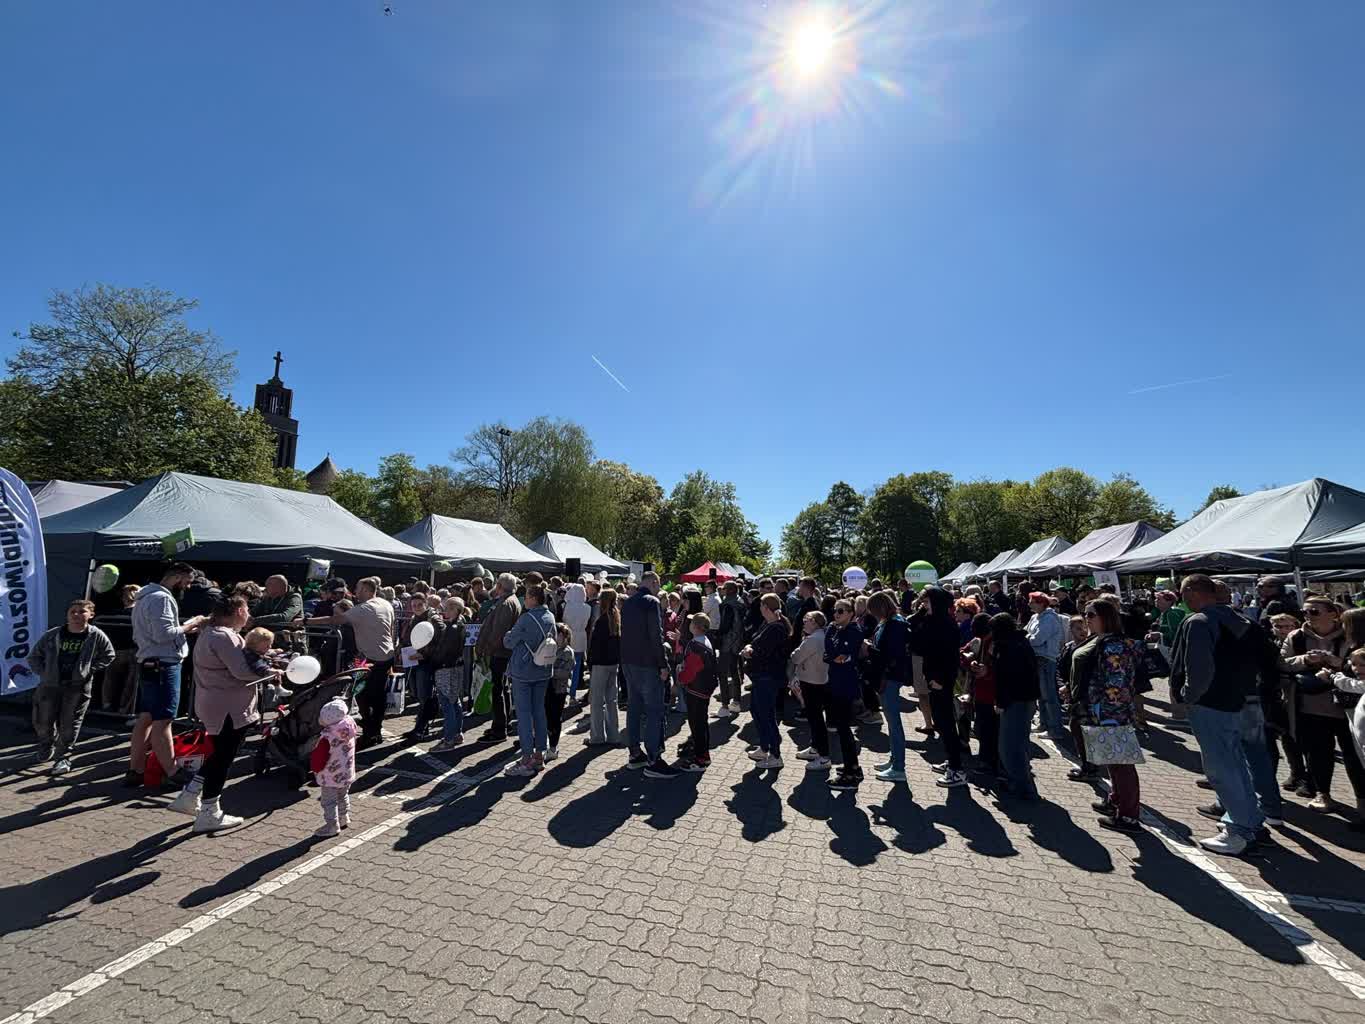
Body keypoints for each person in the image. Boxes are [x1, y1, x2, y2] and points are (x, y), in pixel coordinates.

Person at [1170, 575, 1265, 855]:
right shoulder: (1239, 620)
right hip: (1239, 699)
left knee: (1221, 768)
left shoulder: (1200, 622)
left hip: (1211, 703)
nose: (1181, 596)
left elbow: (1198, 669)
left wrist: (1187, 696)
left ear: (1191, 592)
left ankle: (1239, 830)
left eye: (1183, 591)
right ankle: (1250, 820)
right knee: (1236, 764)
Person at [170, 596, 274, 831]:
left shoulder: (210, 632)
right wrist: (272, 672)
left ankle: (191, 794)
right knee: (223, 758)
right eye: (247, 609)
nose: (248, 613)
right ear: (238, 610)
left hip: (215, 702)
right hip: (228, 707)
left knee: (219, 753)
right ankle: (209, 811)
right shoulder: (225, 636)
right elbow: (242, 672)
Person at [124, 563, 207, 789]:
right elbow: (164, 634)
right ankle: (172, 772)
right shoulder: (161, 598)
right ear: (177, 576)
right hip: (163, 665)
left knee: (146, 718)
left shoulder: (144, 596)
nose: (188, 586)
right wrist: (193, 624)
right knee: (163, 721)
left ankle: (136, 769)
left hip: (150, 662)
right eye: (188, 581)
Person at [1281, 597, 1365, 816]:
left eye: (1314, 611)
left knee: (1355, 757)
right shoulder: (1296, 636)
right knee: (1318, 753)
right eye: (1305, 611)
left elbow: (1360, 662)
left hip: (1348, 709)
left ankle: (1362, 803)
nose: (1308, 615)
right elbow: (1282, 663)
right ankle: (1323, 794)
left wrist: (1338, 664)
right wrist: (1306, 661)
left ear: (1332, 614)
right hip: (1310, 705)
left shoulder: (1351, 632)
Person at [1071, 600, 1143, 832]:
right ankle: (1116, 800)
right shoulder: (1102, 641)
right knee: (1112, 761)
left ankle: (1129, 815)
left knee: (1121, 764)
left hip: (1112, 712)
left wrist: (1104, 710)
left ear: (1105, 617)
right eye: (1085, 614)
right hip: (1102, 710)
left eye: (1091, 615)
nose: (1087, 619)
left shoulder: (1114, 646)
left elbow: (1117, 684)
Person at [304, 577, 395, 748]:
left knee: (361, 693)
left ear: (368, 590)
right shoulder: (385, 603)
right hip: (384, 655)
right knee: (377, 695)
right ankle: (375, 728)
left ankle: (370, 731)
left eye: (358, 589)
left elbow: (334, 620)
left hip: (368, 658)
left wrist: (306, 621)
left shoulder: (364, 608)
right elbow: (391, 628)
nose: (355, 592)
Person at [29, 599, 115, 775]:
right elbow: (34, 656)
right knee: (42, 721)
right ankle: (46, 745)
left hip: (77, 687)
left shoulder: (95, 635)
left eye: (82, 611)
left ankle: (63, 758)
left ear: (91, 615)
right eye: (73, 611)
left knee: (70, 724)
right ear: (67, 615)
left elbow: (109, 654)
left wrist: (89, 669)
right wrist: (44, 673)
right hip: (50, 686)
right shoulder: (53, 634)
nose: (77, 615)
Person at [620, 571, 678, 778]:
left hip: (628, 662)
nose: (659, 588)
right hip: (647, 664)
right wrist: (663, 664)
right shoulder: (651, 601)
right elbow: (656, 634)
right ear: (653, 582)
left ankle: (635, 753)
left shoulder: (628, 602)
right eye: (659, 584)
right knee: (654, 711)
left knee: (634, 708)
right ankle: (654, 760)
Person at [914, 587, 968, 789]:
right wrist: (921, 614)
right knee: (941, 721)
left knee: (945, 722)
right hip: (932, 677)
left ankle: (957, 769)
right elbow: (916, 639)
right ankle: (951, 760)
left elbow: (948, 657)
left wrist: (941, 680)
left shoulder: (946, 625)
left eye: (927, 603)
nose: (923, 606)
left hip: (940, 679)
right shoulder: (932, 621)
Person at [502, 584, 557, 776]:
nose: (524, 599)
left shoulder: (526, 618)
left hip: (523, 671)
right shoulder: (550, 616)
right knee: (539, 711)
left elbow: (508, 642)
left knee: (524, 715)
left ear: (534, 598)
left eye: (526, 596)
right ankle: (539, 755)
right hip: (543, 669)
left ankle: (526, 758)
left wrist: (509, 634)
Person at [991, 613, 1040, 800]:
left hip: (1014, 701)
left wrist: (1001, 703)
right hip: (1028, 699)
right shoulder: (1022, 642)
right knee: (1021, 743)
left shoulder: (1006, 647)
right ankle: (1023, 782)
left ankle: (1022, 785)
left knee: (1008, 746)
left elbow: (1006, 679)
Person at [864, 591, 911, 783]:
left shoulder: (895, 624)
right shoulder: (889, 622)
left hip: (890, 677)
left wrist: (869, 649)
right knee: (892, 721)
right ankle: (894, 759)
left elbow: (890, 654)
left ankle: (898, 766)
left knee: (894, 722)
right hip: (887, 676)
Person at [743, 593, 793, 769]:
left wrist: (749, 652)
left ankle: (775, 754)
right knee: (757, 710)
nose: (760, 608)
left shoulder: (777, 628)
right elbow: (755, 641)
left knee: (766, 714)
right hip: (761, 676)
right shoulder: (769, 624)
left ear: (765, 607)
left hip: (768, 677)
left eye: (762, 605)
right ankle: (764, 747)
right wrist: (750, 648)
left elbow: (762, 652)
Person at [473, 573, 521, 743]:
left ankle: (499, 729)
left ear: (500, 586)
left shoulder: (506, 603)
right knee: (502, 689)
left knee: (497, 690)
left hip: (499, 653)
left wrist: (487, 650)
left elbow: (499, 633)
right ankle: (502, 723)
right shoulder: (509, 600)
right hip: (501, 652)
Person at [824, 600, 865, 790]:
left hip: (845, 685)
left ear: (851, 613)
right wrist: (834, 655)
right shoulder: (836, 629)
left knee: (844, 727)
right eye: (835, 611)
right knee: (841, 728)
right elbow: (830, 651)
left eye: (841, 611)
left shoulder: (853, 631)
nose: (836, 614)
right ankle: (852, 766)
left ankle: (851, 772)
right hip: (835, 682)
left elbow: (842, 656)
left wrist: (834, 656)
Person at [310, 698, 358, 837]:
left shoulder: (327, 737)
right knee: (343, 795)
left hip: (329, 776)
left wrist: (315, 770)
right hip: (346, 772)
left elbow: (319, 758)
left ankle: (332, 825)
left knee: (329, 802)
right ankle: (344, 817)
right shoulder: (349, 729)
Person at [676, 612, 719, 771]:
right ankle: (700, 751)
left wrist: (680, 677)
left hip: (697, 690)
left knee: (697, 724)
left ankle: (701, 758)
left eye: (692, 622)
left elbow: (691, 671)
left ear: (697, 627)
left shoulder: (695, 646)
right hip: (703, 688)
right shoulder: (704, 640)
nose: (689, 624)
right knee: (700, 723)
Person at [790, 611, 831, 771]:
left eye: (806, 620)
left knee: (816, 720)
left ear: (814, 622)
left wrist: (798, 649)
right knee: (815, 718)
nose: (804, 623)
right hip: (816, 680)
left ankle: (824, 757)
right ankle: (815, 749)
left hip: (812, 681)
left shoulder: (813, 639)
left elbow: (795, 657)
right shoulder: (820, 635)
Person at [962, 612, 1000, 778]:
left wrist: (987, 671)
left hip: (991, 693)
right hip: (980, 691)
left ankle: (989, 762)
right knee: (982, 728)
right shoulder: (980, 641)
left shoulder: (995, 643)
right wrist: (970, 659)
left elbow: (1000, 668)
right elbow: (963, 653)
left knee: (988, 730)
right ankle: (987, 760)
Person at [427, 597, 467, 752]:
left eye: (448, 608)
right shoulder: (461, 624)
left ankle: (449, 739)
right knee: (455, 701)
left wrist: (433, 661)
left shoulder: (453, 627)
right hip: (456, 667)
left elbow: (444, 651)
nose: (445, 610)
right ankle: (457, 734)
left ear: (455, 609)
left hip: (446, 668)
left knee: (448, 704)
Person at [1024, 592, 1066, 739]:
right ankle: (1044, 724)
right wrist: (1028, 637)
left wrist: (1027, 637)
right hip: (1037, 659)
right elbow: (1026, 633)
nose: (1029, 604)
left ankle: (1055, 729)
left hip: (1046, 659)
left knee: (1049, 695)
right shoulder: (1035, 617)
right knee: (1041, 696)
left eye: (1032, 601)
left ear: (1041, 603)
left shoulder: (1049, 619)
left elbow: (1037, 639)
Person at [586, 588, 622, 746]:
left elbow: (595, 646)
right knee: (611, 700)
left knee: (596, 702)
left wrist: (590, 664)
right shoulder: (616, 617)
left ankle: (597, 736)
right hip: (613, 663)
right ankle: (614, 735)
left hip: (600, 664)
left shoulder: (602, 621)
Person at [716, 581, 746, 717]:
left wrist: (716, 634)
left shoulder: (727, 605)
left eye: (724, 588)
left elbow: (725, 627)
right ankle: (737, 702)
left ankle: (725, 706)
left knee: (722, 673)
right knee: (735, 672)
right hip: (738, 641)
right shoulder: (740, 602)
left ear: (729, 590)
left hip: (727, 643)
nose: (722, 590)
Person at [546, 623, 574, 761]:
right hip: (549, 688)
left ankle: (553, 747)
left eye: (559, 634)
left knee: (555, 718)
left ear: (565, 637)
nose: (556, 637)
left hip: (559, 690)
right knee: (546, 716)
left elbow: (564, 673)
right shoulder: (550, 649)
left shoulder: (567, 652)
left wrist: (548, 670)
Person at [248, 575, 303, 641]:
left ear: (278, 587)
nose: (265, 589)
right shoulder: (268, 598)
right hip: (270, 640)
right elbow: (253, 612)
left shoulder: (294, 598)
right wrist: (247, 619)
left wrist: (255, 621)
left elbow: (285, 617)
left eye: (267, 586)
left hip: (291, 640)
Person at [561, 583, 590, 704]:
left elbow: (564, 620)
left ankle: (564, 693)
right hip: (581, 637)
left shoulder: (568, 606)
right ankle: (572, 694)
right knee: (577, 668)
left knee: (566, 667)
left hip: (569, 637)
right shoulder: (587, 607)